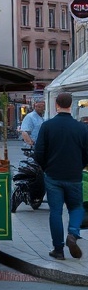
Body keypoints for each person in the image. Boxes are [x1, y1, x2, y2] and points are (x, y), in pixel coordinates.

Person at [33, 92, 88, 260]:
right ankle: (73, 233)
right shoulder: (81, 128)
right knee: (76, 207)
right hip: (73, 175)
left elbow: (39, 152)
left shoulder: (48, 126)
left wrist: (46, 167)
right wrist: (79, 166)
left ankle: (58, 249)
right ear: (71, 105)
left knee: (55, 212)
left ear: (56, 104)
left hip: (53, 175)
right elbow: (87, 153)